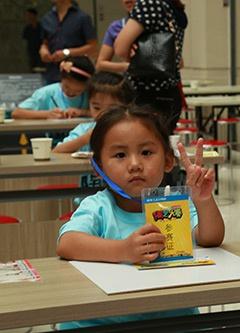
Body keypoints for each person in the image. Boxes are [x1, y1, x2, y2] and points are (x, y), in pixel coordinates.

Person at [56, 105, 224, 329]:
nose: (135, 164)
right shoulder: (99, 207)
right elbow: (67, 243)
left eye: (146, 153)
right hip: (102, 322)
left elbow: (211, 238)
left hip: (174, 320)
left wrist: (203, 201)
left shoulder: (175, 204)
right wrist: (124, 250)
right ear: (98, 167)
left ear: (167, 161)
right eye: (120, 155)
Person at [114, 0, 188, 135]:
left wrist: (131, 50)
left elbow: (120, 48)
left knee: (141, 146)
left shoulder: (150, 4)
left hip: (145, 92)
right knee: (158, 146)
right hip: (170, 92)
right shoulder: (174, 7)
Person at [53, 71, 135, 153]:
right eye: (96, 108)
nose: (103, 114)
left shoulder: (133, 130)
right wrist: (86, 138)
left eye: (112, 109)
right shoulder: (85, 129)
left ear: (127, 106)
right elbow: (57, 151)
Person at [12, 56, 94, 119]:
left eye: (78, 91)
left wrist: (82, 112)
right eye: (66, 87)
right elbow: (17, 113)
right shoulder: (47, 93)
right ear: (61, 78)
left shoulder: (90, 94)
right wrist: (47, 114)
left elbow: (104, 114)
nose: (71, 93)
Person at [39, 0, 97, 84]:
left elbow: (93, 47)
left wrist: (67, 52)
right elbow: (45, 43)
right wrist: (43, 50)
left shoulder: (83, 17)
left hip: (76, 74)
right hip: (52, 74)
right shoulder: (46, 18)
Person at [96, 0, 137, 73]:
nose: (127, 1)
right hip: (131, 79)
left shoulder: (159, 23)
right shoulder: (116, 27)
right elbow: (100, 64)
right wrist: (128, 66)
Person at [22, 8, 43, 72]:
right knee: (32, 70)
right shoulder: (27, 28)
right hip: (31, 53)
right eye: (27, 15)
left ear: (34, 15)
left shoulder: (42, 27)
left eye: (30, 15)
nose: (28, 17)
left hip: (41, 52)